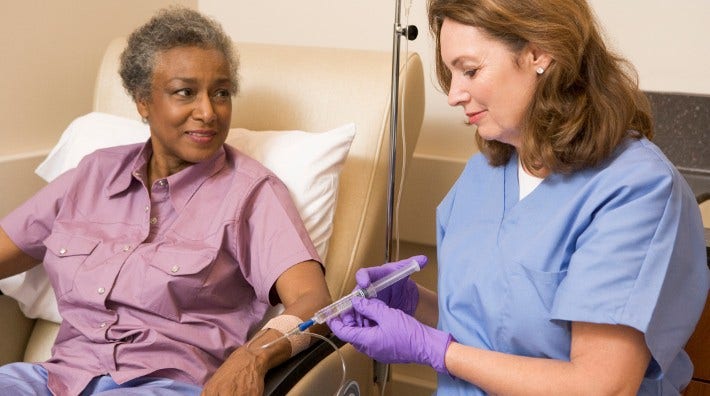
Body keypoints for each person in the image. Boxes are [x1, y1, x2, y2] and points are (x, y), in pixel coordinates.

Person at [328, 0, 709, 394]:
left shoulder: (633, 190)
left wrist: (436, 351)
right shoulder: (483, 176)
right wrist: (414, 305)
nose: (454, 94)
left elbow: (601, 386)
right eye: (451, 72)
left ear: (538, 53)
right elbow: (495, 326)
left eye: (470, 70)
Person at [0, 7, 331, 396]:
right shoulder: (92, 175)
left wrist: (252, 357)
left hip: (161, 385)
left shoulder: (251, 194)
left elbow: (315, 302)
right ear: (143, 101)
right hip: (54, 380)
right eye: (185, 92)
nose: (208, 112)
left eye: (221, 92)